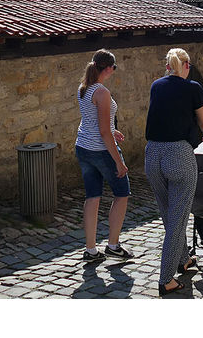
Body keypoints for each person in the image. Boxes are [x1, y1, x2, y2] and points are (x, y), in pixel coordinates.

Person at [144, 48, 203, 297]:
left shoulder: (156, 86)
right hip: (178, 155)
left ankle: (183, 258)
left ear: (167, 66)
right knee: (178, 218)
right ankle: (166, 279)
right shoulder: (193, 88)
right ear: (185, 66)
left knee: (169, 213)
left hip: (152, 154)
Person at [75, 49, 133, 262]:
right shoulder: (102, 92)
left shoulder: (84, 88)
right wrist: (118, 162)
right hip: (101, 150)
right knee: (122, 193)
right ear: (108, 68)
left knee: (92, 196)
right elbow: (102, 131)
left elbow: (92, 120)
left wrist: (112, 129)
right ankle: (113, 245)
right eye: (114, 68)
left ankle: (90, 250)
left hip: (83, 147)